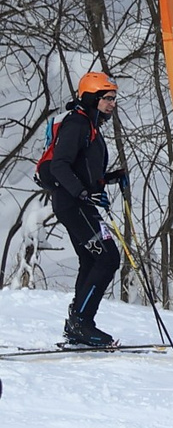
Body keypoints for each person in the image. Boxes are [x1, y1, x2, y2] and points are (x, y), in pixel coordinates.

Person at [37, 72, 126, 349]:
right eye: (107, 98)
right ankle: (81, 322)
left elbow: (81, 169)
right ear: (92, 98)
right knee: (108, 257)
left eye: (113, 98)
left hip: (80, 203)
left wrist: (109, 178)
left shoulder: (90, 125)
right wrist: (83, 193)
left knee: (92, 260)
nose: (112, 103)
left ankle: (79, 325)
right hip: (74, 205)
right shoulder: (77, 123)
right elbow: (60, 166)